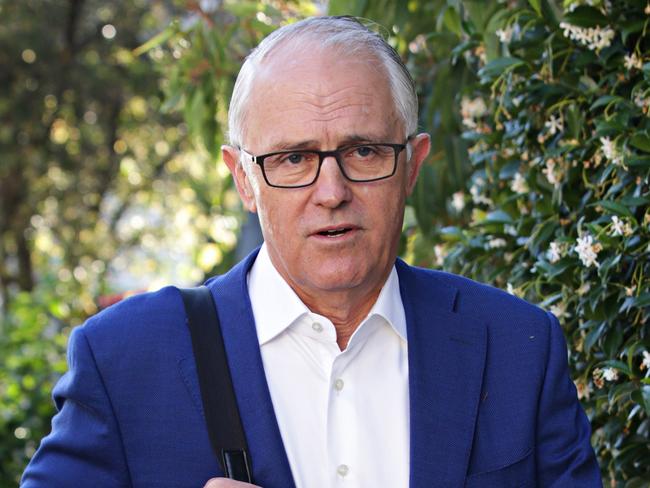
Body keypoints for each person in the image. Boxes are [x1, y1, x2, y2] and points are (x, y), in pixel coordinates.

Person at [22, 16, 602, 488]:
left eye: (365, 151)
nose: (332, 193)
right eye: (293, 158)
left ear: (413, 165)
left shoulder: (518, 347)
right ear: (243, 179)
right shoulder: (124, 358)